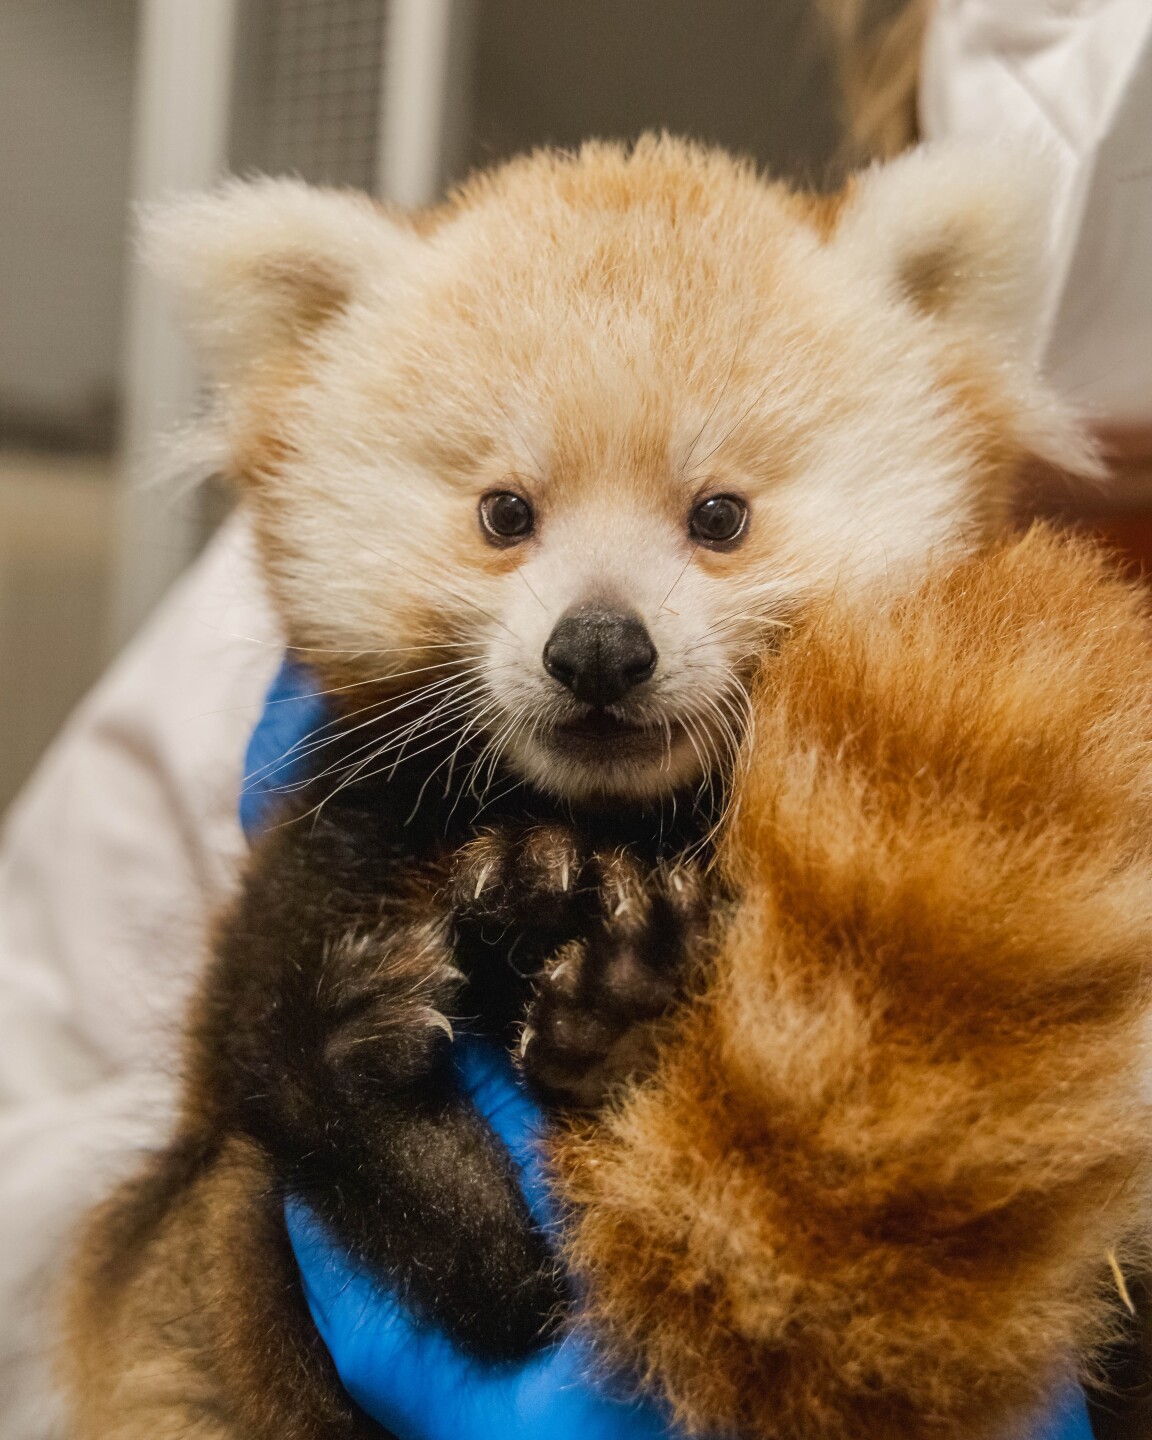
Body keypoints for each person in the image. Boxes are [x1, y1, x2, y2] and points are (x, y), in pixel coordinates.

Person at [1, 3, 1148, 1435]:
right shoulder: (281, 659)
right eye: (507, 518)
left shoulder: (906, 432)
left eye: (718, 520)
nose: (597, 630)